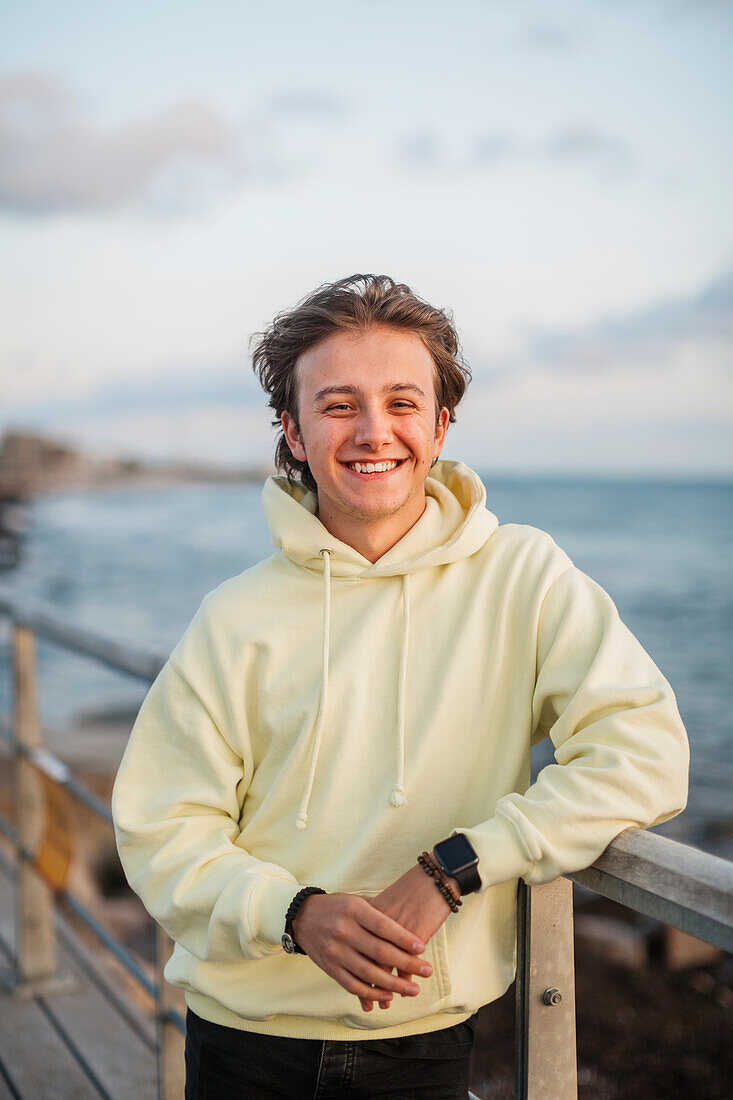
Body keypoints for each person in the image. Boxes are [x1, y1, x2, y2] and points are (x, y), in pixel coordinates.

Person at [112, 274, 690, 1099]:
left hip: (421, 1044)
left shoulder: (522, 577)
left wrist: (455, 867)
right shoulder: (233, 615)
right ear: (294, 431)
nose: (373, 432)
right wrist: (294, 913)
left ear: (441, 424)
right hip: (242, 1041)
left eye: (402, 402)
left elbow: (644, 752)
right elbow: (160, 825)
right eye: (338, 405)